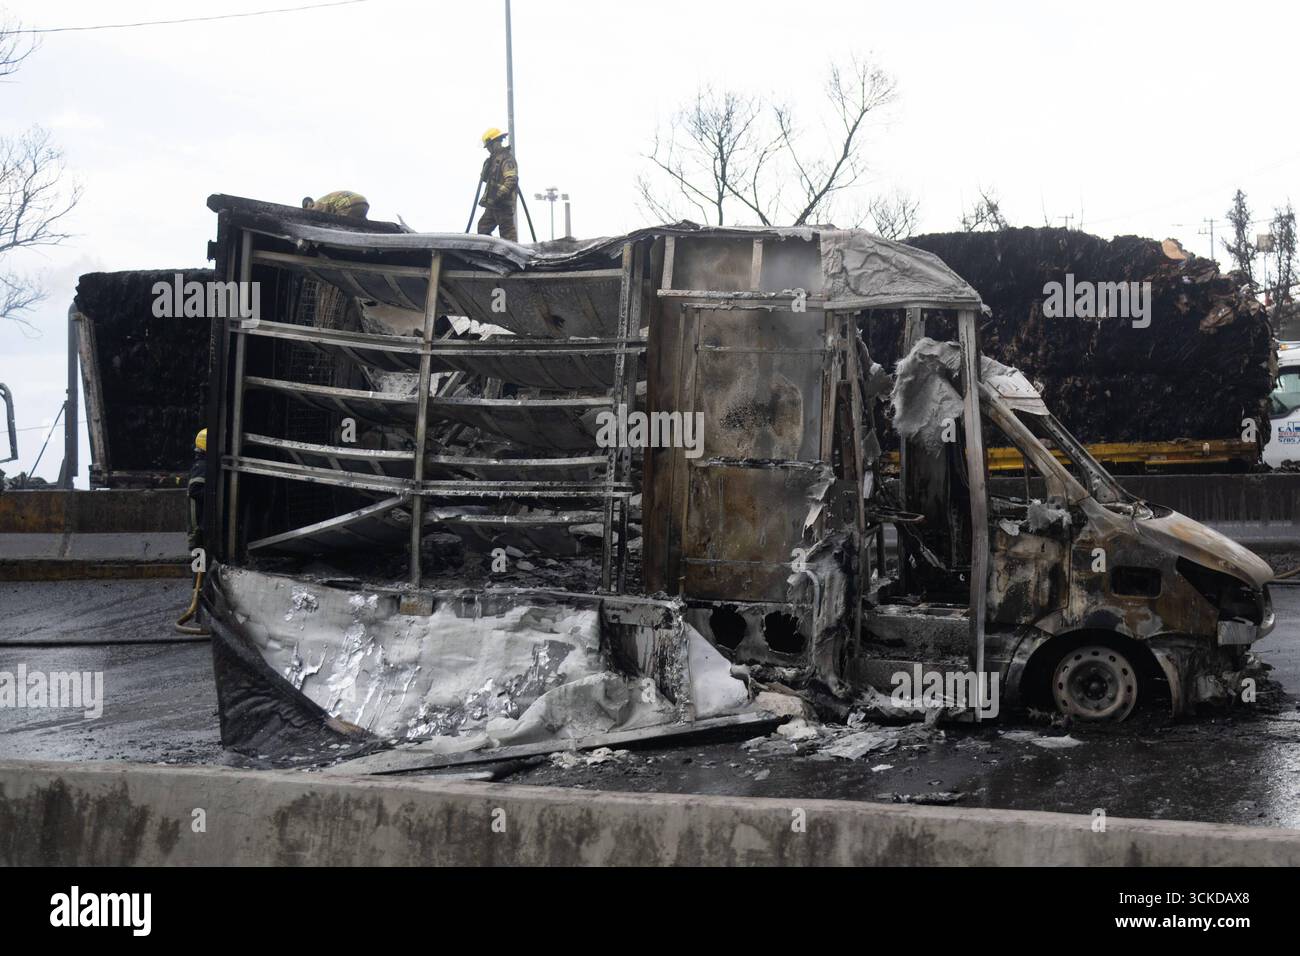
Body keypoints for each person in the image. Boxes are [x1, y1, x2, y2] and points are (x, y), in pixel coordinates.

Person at [476, 127, 518, 241]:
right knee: (483, 229)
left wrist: (499, 195)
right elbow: (487, 180)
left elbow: (511, 179)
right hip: (492, 205)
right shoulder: (493, 160)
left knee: (507, 234)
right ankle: (489, 255)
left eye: (489, 146)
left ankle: (512, 257)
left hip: (503, 205)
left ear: (495, 143)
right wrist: (486, 167)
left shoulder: (506, 159)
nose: (488, 149)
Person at [187, 428, 206, 554]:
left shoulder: (201, 465)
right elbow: (194, 490)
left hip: (199, 526)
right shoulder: (202, 466)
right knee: (199, 561)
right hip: (198, 527)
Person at [302, 191, 370, 219]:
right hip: (363, 203)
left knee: (336, 223)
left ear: (310, 204)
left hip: (349, 205)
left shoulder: (317, 204)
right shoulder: (325, 199)